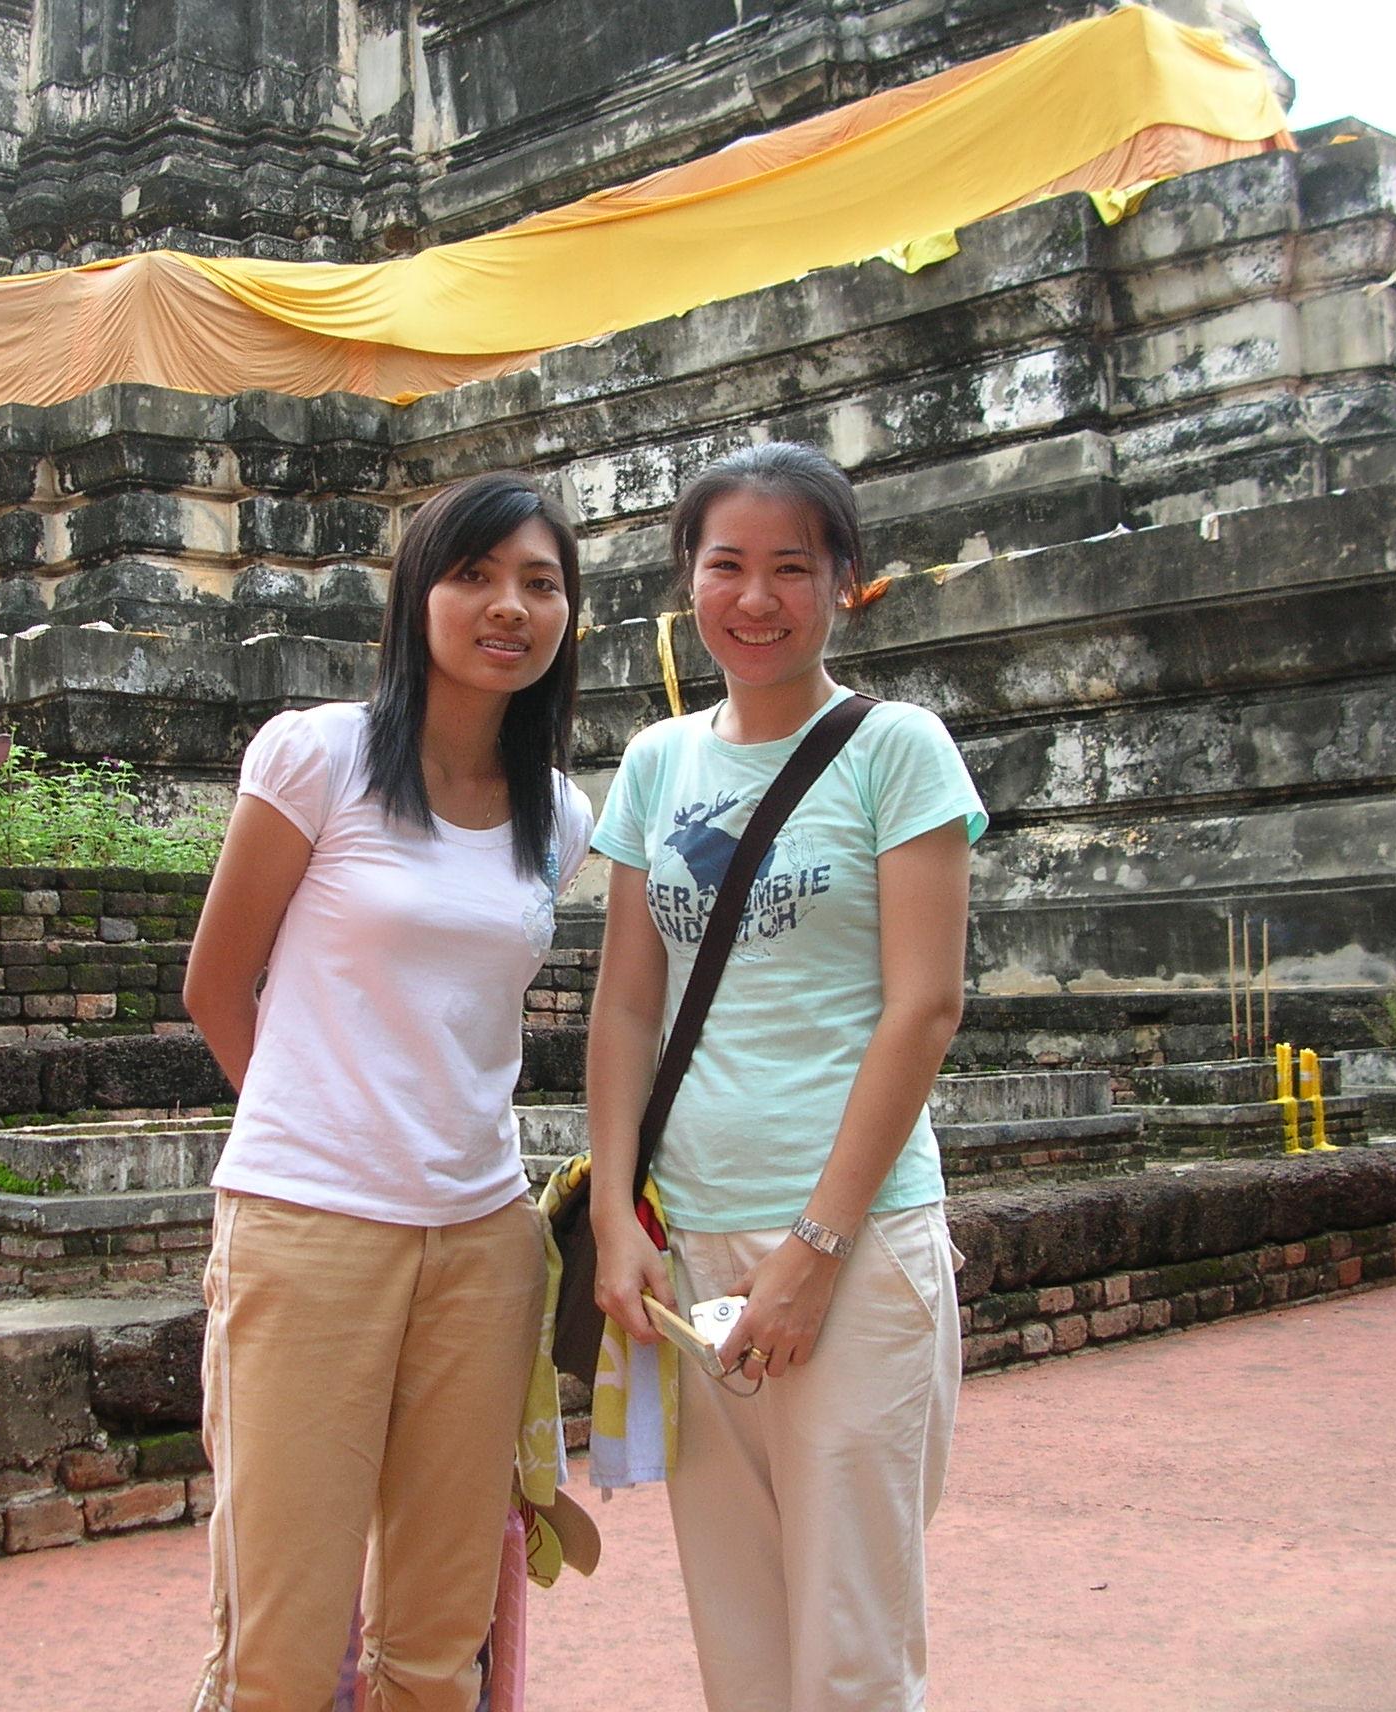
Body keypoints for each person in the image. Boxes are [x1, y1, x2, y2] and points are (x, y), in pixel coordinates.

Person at [585, 442, 986, 1711]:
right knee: (741, 1632)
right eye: (725, 565)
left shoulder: (894, 748)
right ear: (686, 580)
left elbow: (923, 1005)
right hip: (691, 1242)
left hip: (850, 1245)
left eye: (791, 568)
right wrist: (614, 1217)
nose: (753, 599)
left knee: (849, 1639)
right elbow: (626, 1002)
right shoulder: (656, 762)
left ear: (844, 581)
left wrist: (816, 1244)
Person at [182, 472, 592, 1712]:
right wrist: (324, 1128)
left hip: (482, 1239)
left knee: (438, 1636)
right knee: (281, 1645)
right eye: (474, 575)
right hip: (309, 1226)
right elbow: (215, 983)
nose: (507, 606)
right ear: (418, 592)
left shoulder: (559, 815)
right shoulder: (318, 755)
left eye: (538, 583)